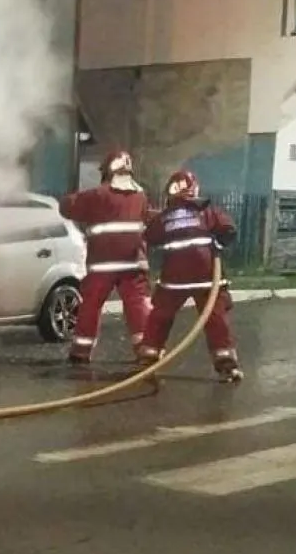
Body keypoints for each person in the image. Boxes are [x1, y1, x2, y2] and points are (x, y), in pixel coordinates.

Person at [137, 169, 243, 383]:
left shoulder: (165, 216)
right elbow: (228, 229)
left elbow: (151, 236)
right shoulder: (206, 210)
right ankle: (226, 364)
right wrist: (218, 244)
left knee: (161, 317)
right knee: (215, 320)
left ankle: (148, 357)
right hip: (206, 277)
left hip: (174, 278)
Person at [59, 149, 152, 365]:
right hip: (133, 263)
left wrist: (72, 197)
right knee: (137, 304)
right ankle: (146, 350)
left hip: (102, 264)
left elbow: (67, 207)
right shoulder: (141, 196)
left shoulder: (97, 196)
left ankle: (81, 352)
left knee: (91, 304)